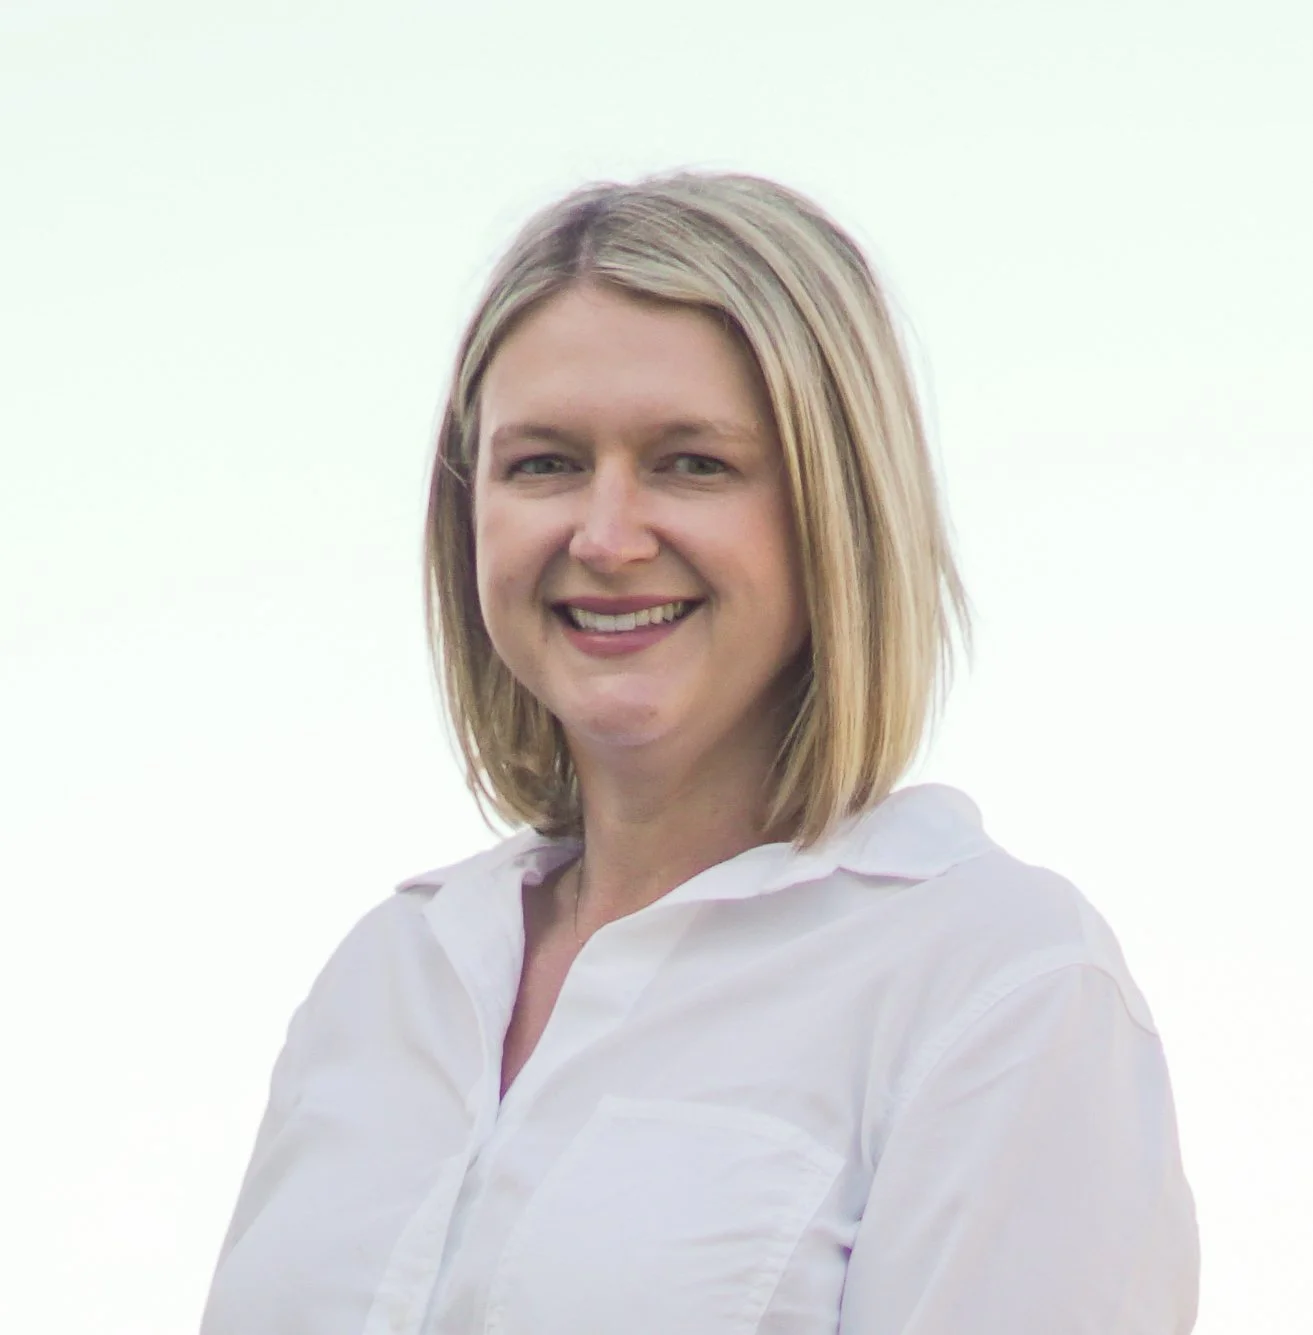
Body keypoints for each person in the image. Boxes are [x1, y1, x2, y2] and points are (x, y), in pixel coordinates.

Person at [200, 172, 1199, 1334]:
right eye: (543, 464)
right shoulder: (384, 981)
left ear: (836, 508)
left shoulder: (993, 982)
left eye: (692, 463)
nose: (606, 536)